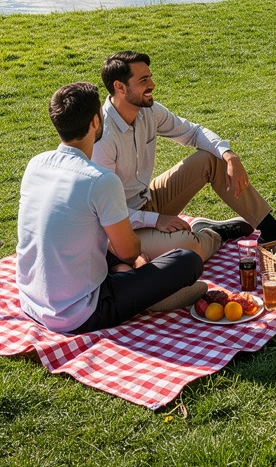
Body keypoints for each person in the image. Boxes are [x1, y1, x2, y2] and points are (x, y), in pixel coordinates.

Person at [16, 82, 207, 334]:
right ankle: (162, 296)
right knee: (187, 261)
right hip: (82, 313)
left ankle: (136, 282)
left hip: (32, 301)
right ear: (96, 121)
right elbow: (129, 251)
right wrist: (135, 257)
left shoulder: (36, 164)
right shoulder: (100, 180)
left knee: (111, 252)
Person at [92, 51, 276, 262]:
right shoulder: (102, 138)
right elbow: (105, 212)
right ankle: (215, 233)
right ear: (120, 87)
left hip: (148, 199)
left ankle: (272, 229)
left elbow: (194, 133)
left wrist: (230, 156)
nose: (152, 84)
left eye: (150, 77)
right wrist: (157, 220)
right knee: (189, 246)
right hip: (121, 226)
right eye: (144, 80)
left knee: (214, 157)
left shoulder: (148, 111)